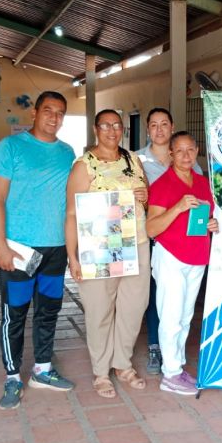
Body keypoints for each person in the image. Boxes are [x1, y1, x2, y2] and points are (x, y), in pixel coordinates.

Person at [0, 91, 76, 410]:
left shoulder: (67, 152)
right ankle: (12, 376)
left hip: (56, 248)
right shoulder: (10, 147)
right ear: (34, 113)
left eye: (60, 112)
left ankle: (42, 369)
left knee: (48, 310)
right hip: (19, 249)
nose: (54, 117)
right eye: (48, 110)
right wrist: (0, 245)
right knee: (15, 313)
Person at [65, 109, 150, 399]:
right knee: (99, 309)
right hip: (100, 247)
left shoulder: (133, 160)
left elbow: (146, 198)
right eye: (106, 125)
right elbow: (71, 213)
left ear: (123, 129)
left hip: (136, 243)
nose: (112, 131)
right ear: (95, 129)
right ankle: (101, 371)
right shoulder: (84, 165)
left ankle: (122, 364)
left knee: (133, 307)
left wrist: (144, 196)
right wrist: (73, 257)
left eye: (117, 125)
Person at [146, 131, 217, 396]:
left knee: (185, 317)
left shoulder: (203, 183)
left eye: (190, 150)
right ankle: (170, 374)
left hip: (197, 256)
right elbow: (151, 229)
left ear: (196, 151)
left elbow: (205, 218)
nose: (186, 156)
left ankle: (176, 365)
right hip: (171, 256)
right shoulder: (162, 185)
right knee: (171, 317)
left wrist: (212, 224)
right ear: (171, 154)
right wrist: (177, 207)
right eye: (180, 151)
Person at [135, 108, 203, 375]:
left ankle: (175, 358)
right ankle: (159, 352)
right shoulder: (137, 160)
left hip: (189, 246)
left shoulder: (195, 172)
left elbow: (200, 206)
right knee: (161, 300)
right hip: (158, 239)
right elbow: (150, 221)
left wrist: (209, 223)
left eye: (164, 124)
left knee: (181, 308)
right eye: (153, 125)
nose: (159, 129)